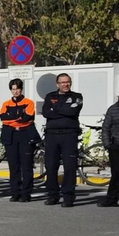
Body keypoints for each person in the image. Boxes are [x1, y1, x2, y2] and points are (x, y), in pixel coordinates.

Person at [40, 73, 83, 207]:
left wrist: (56, 109)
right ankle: (53, 195)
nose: (65, 84)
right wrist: (63, 108)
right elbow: (46, 113)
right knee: (51, 166)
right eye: (62, 82)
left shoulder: (77, 97)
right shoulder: (50, 96)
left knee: (70, 166)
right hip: (52, 135)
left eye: (67, 82)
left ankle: (68, 196)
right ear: (57, 84)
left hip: (69, 135)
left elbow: (72, 112)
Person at [0, 78, 41, 203]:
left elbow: (26, 118)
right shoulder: (6, 104)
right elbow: (3, 118)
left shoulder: (29, 102)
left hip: (25, 135)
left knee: (26, 165)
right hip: (11, 135)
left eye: (17, 89)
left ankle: (26, 193)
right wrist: (16, 118)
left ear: (21, 89)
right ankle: (15, 192)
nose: (15, 91)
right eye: (13, 89)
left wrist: (13, 119)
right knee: (13, 166)